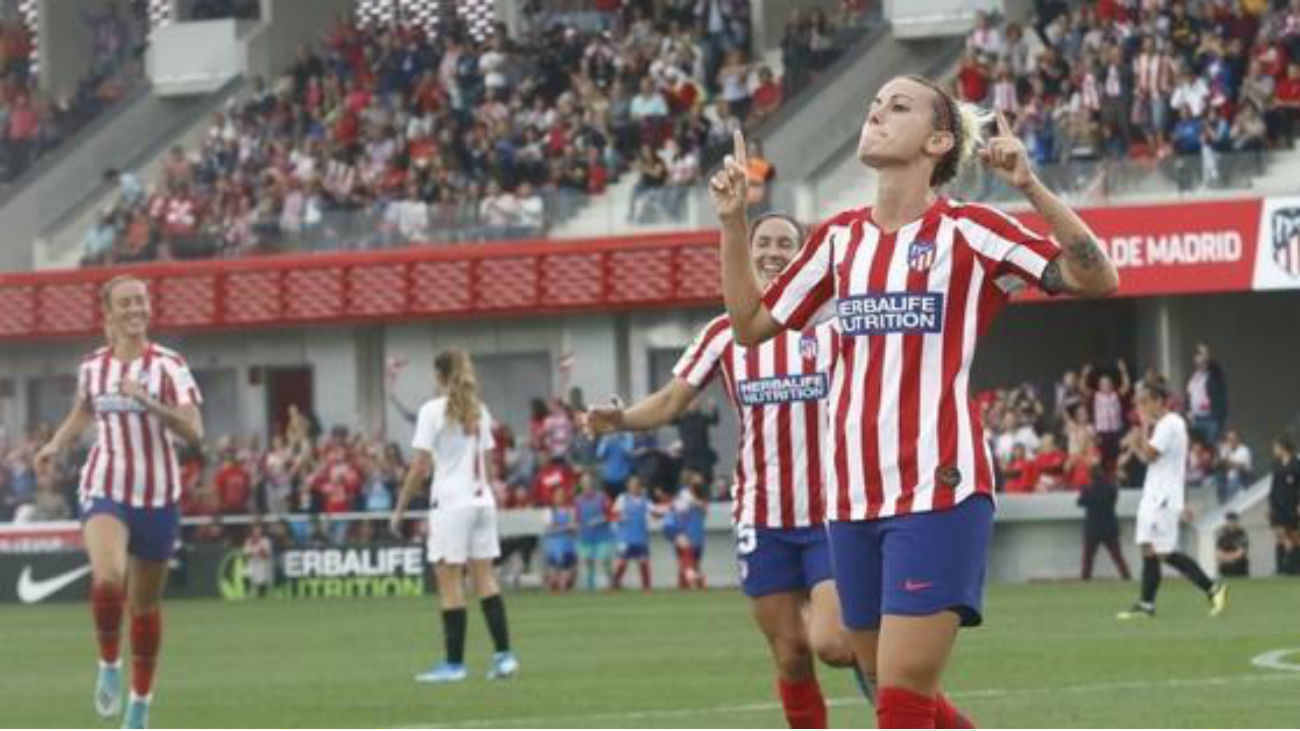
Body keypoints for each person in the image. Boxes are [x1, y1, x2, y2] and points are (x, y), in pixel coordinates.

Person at [707, 68, 1121, 725]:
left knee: (899, 702)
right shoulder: (840, 239)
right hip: (849, 498)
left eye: (897, 106)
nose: (876, 112)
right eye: (873, 102)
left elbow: (1096, 276)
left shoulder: (970, 231)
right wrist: (734, 224)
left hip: (938, 487)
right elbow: (752, 326)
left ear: (936, 142)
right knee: (893, 692)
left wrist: (1030, 186)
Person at [584, 211, 860, 728]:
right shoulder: (723, 334)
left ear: (802, 256)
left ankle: (910, 698)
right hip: (762, 518)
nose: (773, 252)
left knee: (835, 643)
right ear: (747, 251)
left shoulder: (833, 326)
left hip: (830, 515)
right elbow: (670, 401)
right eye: (764, 242)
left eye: (786, 244)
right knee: (791, 655)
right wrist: (620, 420)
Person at [36, 275, 205, 729]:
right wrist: (56, 444)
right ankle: (109, 663)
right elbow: (84, 410)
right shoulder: (93, 366)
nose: (135, 309)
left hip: (158, 496)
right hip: (106, 483)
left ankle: (141, 702)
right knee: (108, 579)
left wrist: (148, 402)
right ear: (108, 315)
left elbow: (194, 433)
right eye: (125, 303)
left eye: (140, 302)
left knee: (144, 608)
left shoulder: (170, 365)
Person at [390, 349, 518, 684]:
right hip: (482, 501)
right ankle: (504, 656)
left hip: (451, 503)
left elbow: (420, 467)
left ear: (438, 375)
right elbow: (489, 464)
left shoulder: (432, 411)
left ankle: (454, 664)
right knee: (485, 579)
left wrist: (400, 508)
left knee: (449, 581)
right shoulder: (480, 410)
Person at [1117, 381, 1228, 620]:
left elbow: (1148, 455)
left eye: (1145, 401)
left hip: (1163, 498)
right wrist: (1138, 440)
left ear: (1159, 401)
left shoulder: (1170, 424)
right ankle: (1147, 605)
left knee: (1164, 551)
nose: (1142, 407)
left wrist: (1142, 430)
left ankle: (1212, 588)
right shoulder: (1163, 425)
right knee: (1148, 548)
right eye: (1140, 402)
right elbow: (1150, 459)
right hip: (1153, 494)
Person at [1077, 464, 1130, 581]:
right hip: (1109, 525)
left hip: (1093, 526)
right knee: (1117, 556)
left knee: (1088, 558)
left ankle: (1085, 579)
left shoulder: (1088, 489)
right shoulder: (1112, 488)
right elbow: (1114, 500)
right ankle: (1126, 577)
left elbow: (1080, 503)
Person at [611, 475, 653, 591]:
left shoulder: (645, 500)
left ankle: (646, 587)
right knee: (622, 562)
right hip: (625, 537)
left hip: (640, 536)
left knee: (643, 562)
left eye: (637, 485)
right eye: (632, 484)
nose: (635, 487)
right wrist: (620, 519)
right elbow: (613, 515)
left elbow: (654, 512)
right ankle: (614, 585)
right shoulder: (622, 498)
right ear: (628, 486)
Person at [574, 471, 614, 591]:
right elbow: (577, 518)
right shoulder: (578, 500)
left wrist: (599, 520)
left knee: (604, 561)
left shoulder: (602, 497)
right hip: (585, 536)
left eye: (588, 482)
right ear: (581, 484)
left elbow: (611, 515)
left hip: (603, 535)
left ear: (593, 483)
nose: (586, 484)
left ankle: (611, 585)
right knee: (588, 562)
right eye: (584, 482)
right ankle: (591, 587)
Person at [1268, 434, 1300, 575]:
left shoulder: (1296, 464)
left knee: (1293, 536)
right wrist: (1270, 504)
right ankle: (1281, 567)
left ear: (1283, 447)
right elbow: (1274, 486)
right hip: (1278, 505)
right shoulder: (1277, 465)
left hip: (1291, 505)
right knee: (1280, 535)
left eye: (1276, 447)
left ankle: (1293, 567)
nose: (1274, 450)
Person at [541, 490, 578, 592]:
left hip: (567, 545)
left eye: (562, 495)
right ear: (553, 497)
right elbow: (548, 528)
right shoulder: (549, 511)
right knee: (553, 578)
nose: (559, 498)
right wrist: (565, 528)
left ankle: (564, 590)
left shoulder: (570, 511)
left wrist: (568, 528)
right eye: (557, 495)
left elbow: (574, 527)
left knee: (565, 577)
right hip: (553, 546)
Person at [1215, 429, 1253, 504]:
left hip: (1242, 480)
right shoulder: (1229, 451)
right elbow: (1218, 466)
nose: (1230, 442)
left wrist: (1224, 458)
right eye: (1228, 439)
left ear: (1238, 439)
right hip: (1229, 482)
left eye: (1232, 439)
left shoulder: (1244, 450)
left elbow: (1239, 466)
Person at [241, 522, 274, 598]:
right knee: (246, 575)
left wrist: (260, 551)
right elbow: (246, 554)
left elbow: (267, 555)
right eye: (255, 531)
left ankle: (261, 596)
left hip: (262, 564)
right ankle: (247, 592)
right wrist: (253, 552)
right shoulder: (249, 541)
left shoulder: (265, 541)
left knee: (261, 582)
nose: (257, 533)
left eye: (259, 531)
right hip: (252, 563)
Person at [1215, 511, 1250, 578]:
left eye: (1233, 521)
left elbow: (1240, 552)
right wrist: (1229, 559)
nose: (1231, 523)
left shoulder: (1242, 534)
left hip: (1239, 567)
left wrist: (1229, 558)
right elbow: (1218, 554)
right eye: (1229, 521)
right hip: (1225, 567)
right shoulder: (1222, 534)